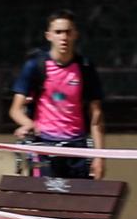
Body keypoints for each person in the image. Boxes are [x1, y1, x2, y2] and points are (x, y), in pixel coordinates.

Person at [9, 11, 105, 180]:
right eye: (58, 32)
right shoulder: (35, 66)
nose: (64, 37)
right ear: (49, 36)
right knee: (44, 202)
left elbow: (96, 116)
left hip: (77, 149)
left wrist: (100, 157)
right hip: (44, 148)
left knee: (78, 204)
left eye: (68, 32)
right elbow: (15, 110)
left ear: (75, 35)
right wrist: (29, 124)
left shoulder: (85, 68)